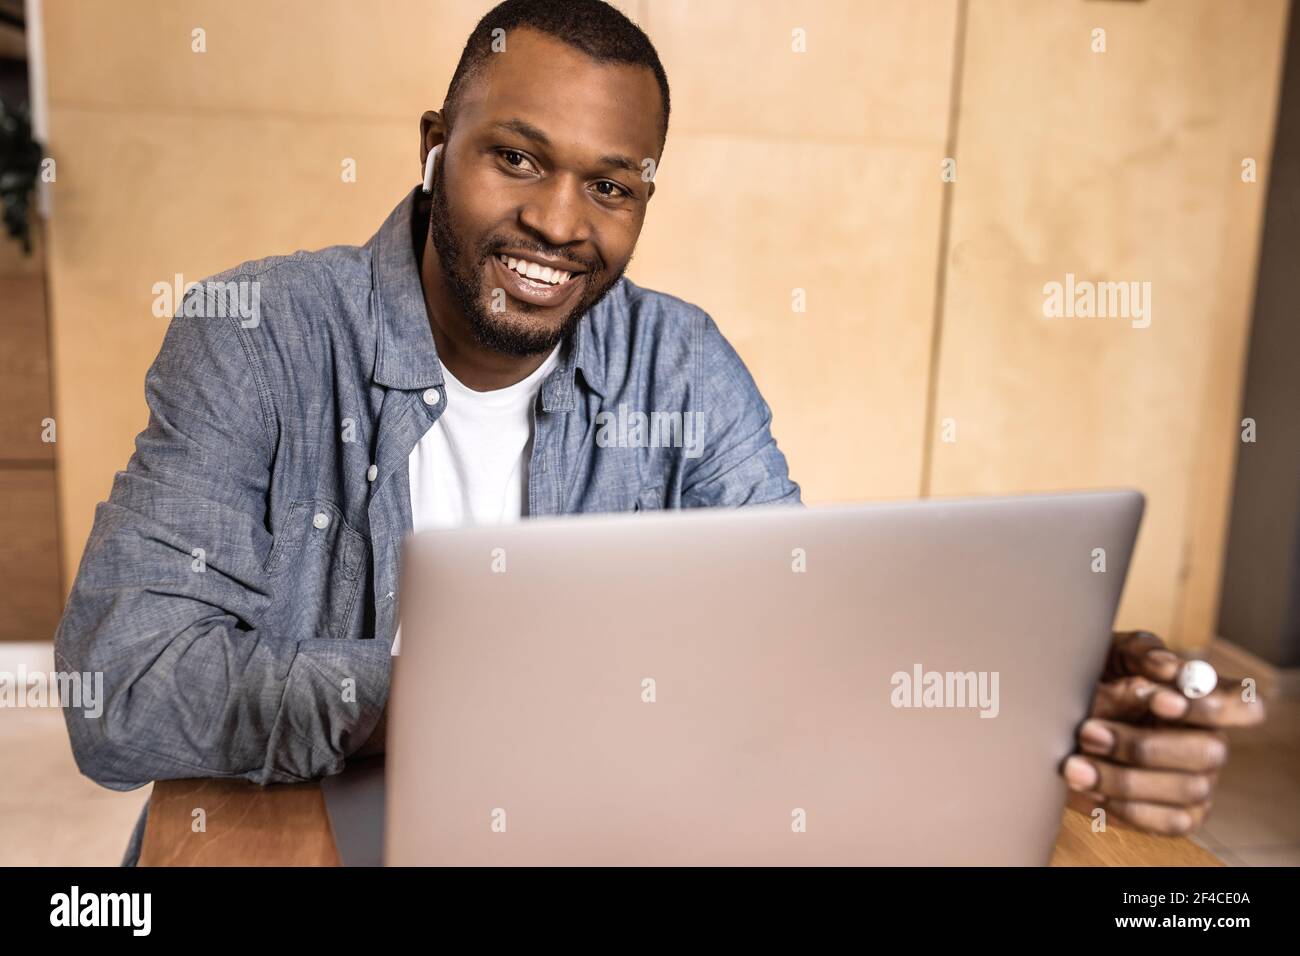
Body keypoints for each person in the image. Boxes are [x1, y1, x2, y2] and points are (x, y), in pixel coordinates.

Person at [54, 0, 1262, 857]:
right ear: (435, 151)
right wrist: (446, 692)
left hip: (604, 823)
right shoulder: (256, 331)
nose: (557, 221)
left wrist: (1054, 695)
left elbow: (800, 635)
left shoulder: (682, 359)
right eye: (514, 158)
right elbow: (119, 688)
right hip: (329, 811)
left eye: (611, 183)